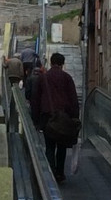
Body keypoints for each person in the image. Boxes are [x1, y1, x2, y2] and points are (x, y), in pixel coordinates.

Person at [30, 52, 79, 183]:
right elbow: (73, 99)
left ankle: (50, 174)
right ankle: (59, 173)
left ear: (51, 63)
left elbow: (35, 99)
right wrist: (75, 118)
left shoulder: (43, 78)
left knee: (50, 146)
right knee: (62, 146)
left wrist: (35, 120)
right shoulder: (67, 78)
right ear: (62, 64)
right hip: (64, 117)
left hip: (47, 117)